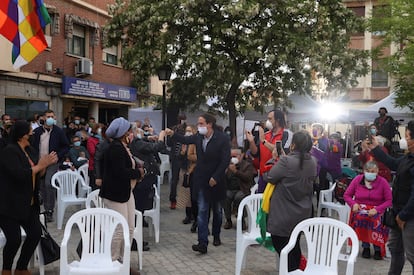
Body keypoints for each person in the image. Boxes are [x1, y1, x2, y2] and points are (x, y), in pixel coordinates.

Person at [166, 113, 231, 254]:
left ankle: (216, 235)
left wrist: (216, 177)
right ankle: (202, 243)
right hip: (202, 180)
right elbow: (185, 139)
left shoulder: (222, 139)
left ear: (209, 124)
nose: (198, 126)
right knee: (202, 211)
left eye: (201, 123)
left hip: (216, 181)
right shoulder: (198, 137)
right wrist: (172, 134)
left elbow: (225, 160)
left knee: (218, 212)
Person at [0, 120, 58, 275]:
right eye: (30, 131)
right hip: (9, 204)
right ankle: (6, 269)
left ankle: (21, 268)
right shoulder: (9, 151)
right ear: (21, 135)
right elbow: (18, 174)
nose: (32, 134)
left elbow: (37, 173)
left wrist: (44, 166)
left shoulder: (31, 150)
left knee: (34, 234)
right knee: (14, 239)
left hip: (29, 203)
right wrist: (39, 166)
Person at [263, 130, 317, 272]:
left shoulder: (286, 162)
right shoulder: (312, 162)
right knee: (294, 246)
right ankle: (295, 271)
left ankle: (290, 271)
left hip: (283, 214)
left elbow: (269, 177)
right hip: (302, 214)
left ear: (293, 145)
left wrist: (276, 159)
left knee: (283, 249)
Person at [368, 120, 414, 275]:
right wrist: (375, 149)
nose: (405, 140)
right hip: (398, 213)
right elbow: (393, 163)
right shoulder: (408, 158)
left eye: (408, 137)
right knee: (395, 249)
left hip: (409, 216)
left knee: (412, 255)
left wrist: (404, 216)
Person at [99, 117, 143, 275]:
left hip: (125, 192)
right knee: (119, 228)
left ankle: (124, 263)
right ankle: (112, 262)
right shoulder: (115, 148)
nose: (132, 133)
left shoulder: (123, 147)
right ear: (124, 133)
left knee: (130, 227)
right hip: (115, 194)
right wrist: (138, 172)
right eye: (129, 131)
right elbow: (120, 172)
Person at [344, 161, 392, 260]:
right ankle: (365, 246)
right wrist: (354, 204)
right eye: (368, 171)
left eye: (373, 171)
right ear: (364, 171)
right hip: (361, 209)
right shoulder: (357, 180)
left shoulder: (383, 182)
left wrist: (377, 209)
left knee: (375, 219)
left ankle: (377, 247)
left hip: (377, 209)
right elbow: (347, 195)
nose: (370, 173)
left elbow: (389, 200)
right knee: (361, 217)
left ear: (377, 171)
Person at [129, 127, 167, 251]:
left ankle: (135, 239)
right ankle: (134, 241)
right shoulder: (136, 143)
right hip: (143, 182)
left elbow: (143, 142)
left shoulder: (136, 142)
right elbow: (156, 148)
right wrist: (161, 136)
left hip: (144, 181)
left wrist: (148, 138)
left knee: (138, 210)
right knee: (138, 211)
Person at [31, 109, 69, 222]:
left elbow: (66, 146)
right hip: (40, 161)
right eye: (48, 116)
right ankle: (42, 209)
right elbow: (32, 146)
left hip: (52, 162)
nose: (50, 118)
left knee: (49, 183)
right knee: (41, 185)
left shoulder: (59, 131)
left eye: (52, 116)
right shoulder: (37, 131)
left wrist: (58, 155)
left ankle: (49, 210)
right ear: (43, 118)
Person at [245, 109, 287, 193]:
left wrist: (264, 141)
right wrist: (251, 141)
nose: (268, 121)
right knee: (262, 203)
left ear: (278, 120)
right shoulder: (265, 135)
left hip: (277, 177)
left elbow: (279, 151)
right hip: (263, 175)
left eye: (270, 119)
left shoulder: (285, 134)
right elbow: (255, 153)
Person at [223, 148, 257, 229]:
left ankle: (241, 220)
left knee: (239, 197)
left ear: (242, 155)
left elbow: (248, 178)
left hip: (243, 189)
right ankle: (228, 220)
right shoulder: (228, 165)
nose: (233, 158)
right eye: (231, 156)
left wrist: (236, 171)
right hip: (230, 189)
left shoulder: (247, 165)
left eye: (235, 156)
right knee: (226, 196)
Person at [167, 114, 187, 209]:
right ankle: (173, 200)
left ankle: (185, 201)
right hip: (175, 157)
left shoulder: (187, 129)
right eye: (181, 119)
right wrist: (172, 135)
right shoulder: (174, 129)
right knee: (175, 179)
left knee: (185, 179)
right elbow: (169, 143)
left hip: (185, 157)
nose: (182, 121)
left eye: (183, 119)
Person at [179, 125, 197, 226]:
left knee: (193, 195)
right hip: (185, 169)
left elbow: (193, 157)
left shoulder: (194, 142)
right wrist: (182, 152)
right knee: (186, 194)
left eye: (190, 131)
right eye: (187, 131)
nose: (188, 133)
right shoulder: (183, 144)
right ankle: (188, 215)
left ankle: (194, 215)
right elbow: (179, 157)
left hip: (193, 170)